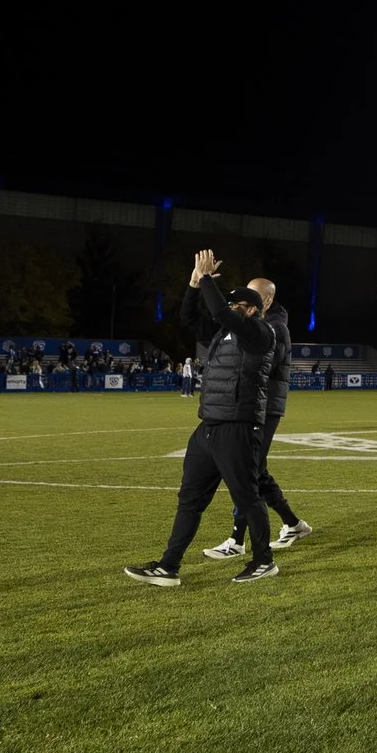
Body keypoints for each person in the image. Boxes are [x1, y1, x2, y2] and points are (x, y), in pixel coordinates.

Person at [123, 251, 278, 587]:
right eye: (232, 304)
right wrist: (194, 284)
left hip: (238, 426)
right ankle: (168, 566)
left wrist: (208, 280)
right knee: (189, 499)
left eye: (239, 305)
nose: (232, 309)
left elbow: (220, 310)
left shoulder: (260, 333)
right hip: (208, 426)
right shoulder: (225, 332)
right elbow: (189, 316)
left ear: (253, 309)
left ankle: (264, 560)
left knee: (247, 496)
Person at [203, 277, 311, 560]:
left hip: (264, 407)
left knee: (247, 470)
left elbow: (262, 364)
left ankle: (237, 540)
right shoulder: (258, 323)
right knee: (255, 470)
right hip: (251, 406)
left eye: (253, 295)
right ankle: (293, 523)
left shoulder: (276, 328)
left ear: (266, 301)